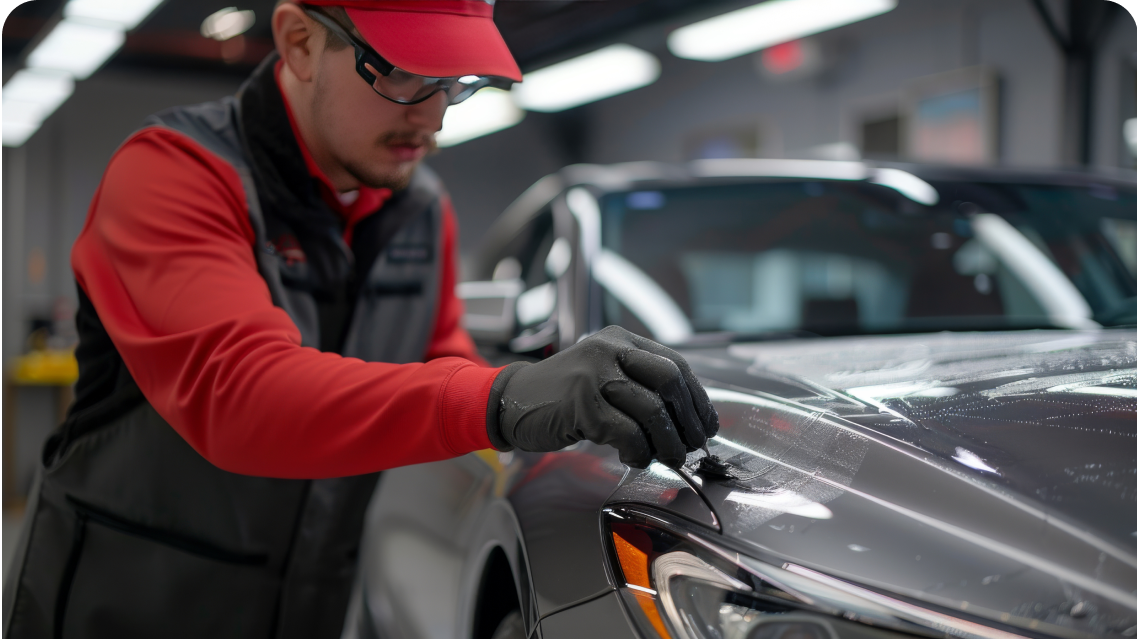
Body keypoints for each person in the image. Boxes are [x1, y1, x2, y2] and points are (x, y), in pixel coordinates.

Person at [1, 2, 718, 637]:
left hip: (308, 602)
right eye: (406, 72)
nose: (434, 115)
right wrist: (503, 399)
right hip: (126, 607)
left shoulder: (418, 210)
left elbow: (442, 365)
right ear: (300, 41)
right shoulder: (173, 174)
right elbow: (239, 396)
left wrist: (564, 429)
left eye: (457, 83)